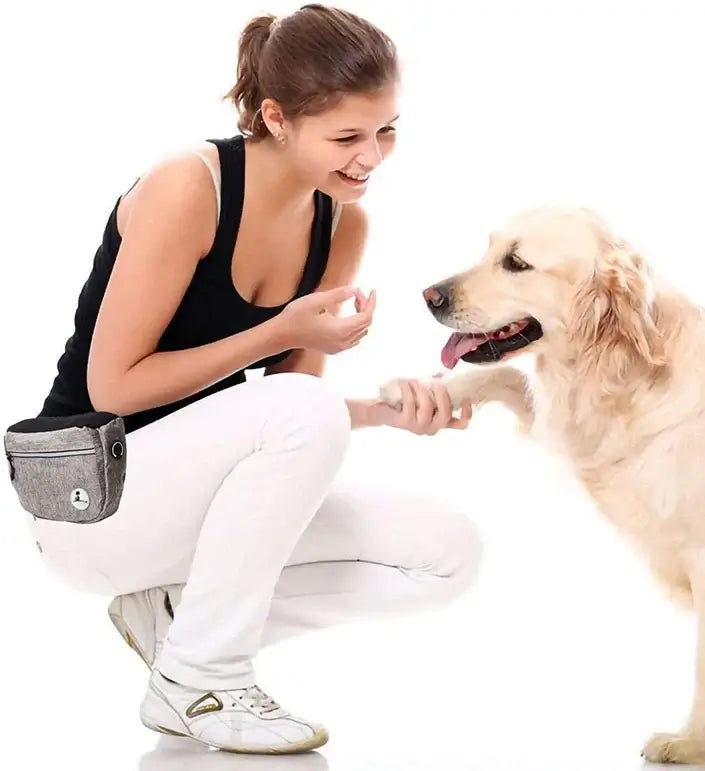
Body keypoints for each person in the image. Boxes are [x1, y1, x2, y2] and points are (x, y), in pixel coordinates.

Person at [30, 3, 483, 756]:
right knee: (303, 409)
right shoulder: (190, 187)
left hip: (186, 507)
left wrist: (383, 409)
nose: (371, 157)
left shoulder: (342, 222)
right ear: (275, 117)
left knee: (448, 552)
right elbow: (112, 387)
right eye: (346, 137)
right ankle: (202, 676)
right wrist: (280, 331)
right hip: (89, 502)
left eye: (387, 130)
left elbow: (287, 415)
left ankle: (176, 625)